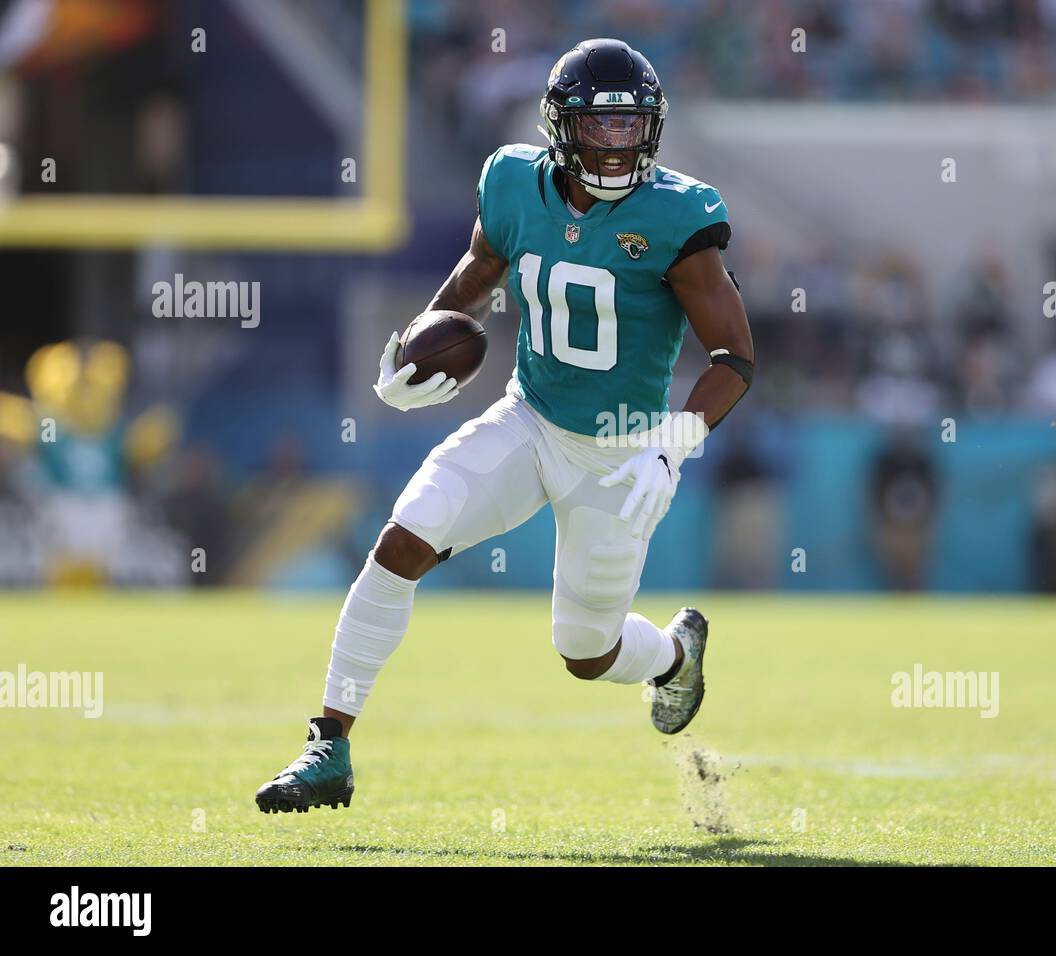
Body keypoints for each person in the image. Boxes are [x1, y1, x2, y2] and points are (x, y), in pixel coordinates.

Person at [255, 39, 754, 814]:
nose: (618, 144)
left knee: (586, 653)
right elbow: (478, 276)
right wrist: (427, 337)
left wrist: (671, 445)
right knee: (403, 537)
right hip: (528, 418)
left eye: (632, 127)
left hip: (621, 451)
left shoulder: (678, 216)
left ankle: (675, 653)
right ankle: (330, 744)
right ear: (562, 127)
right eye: (602, 126)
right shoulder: (515, 184)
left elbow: (735, 360)